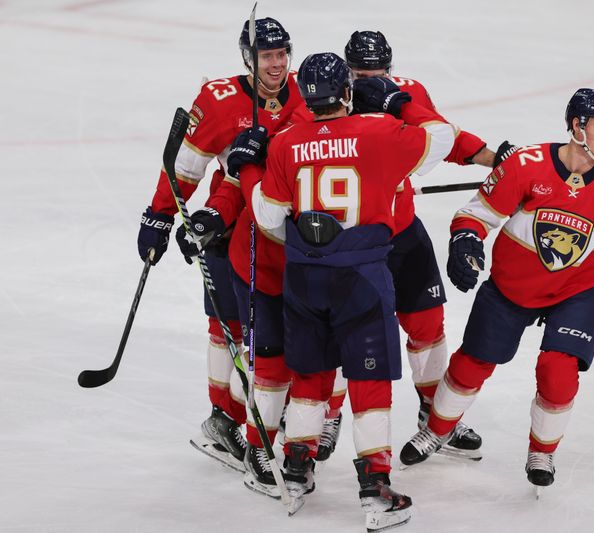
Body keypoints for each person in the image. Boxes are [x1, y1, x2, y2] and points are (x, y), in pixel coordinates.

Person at [399, 88, 594, 491]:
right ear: (576, 125)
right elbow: (476, 214)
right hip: (512, 286)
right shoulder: (526, 165)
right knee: (472, 363)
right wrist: (466, 241)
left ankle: (542, 451)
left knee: (558, 373)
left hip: (575, 291)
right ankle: (436, 430)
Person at [235, 51, 454, 529]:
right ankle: (375, 488)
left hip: (304, 277)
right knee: (368, 381)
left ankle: (295, 470)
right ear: (348, 93)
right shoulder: (379, 132)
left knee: (311, 373)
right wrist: (399, 100)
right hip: (360, 277)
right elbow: (443, 138)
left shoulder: (286, 142)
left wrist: (247, 168)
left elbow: (270, 220)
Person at [311, 29, 513, 463]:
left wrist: (496, 159)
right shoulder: (323, 102)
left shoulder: (405, 93)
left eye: (378, 73)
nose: (370, 82)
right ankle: (328, 414)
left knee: (427, 322)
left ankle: (433, 415)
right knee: (343, 332)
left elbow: (443, 135)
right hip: (349, 244)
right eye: (361, 74)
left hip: (400, 231)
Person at [137, 16, 306, 475]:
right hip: (227, 223)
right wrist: (160, 214)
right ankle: (222, 417)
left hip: (280, 229)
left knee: (271, 330)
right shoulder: (219, 99)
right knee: (227, 325)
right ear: (248, 59)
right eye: (267, 56)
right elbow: (187, 166)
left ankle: (254, 407)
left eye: (281, 54)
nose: (277, 64)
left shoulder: (304, 92)